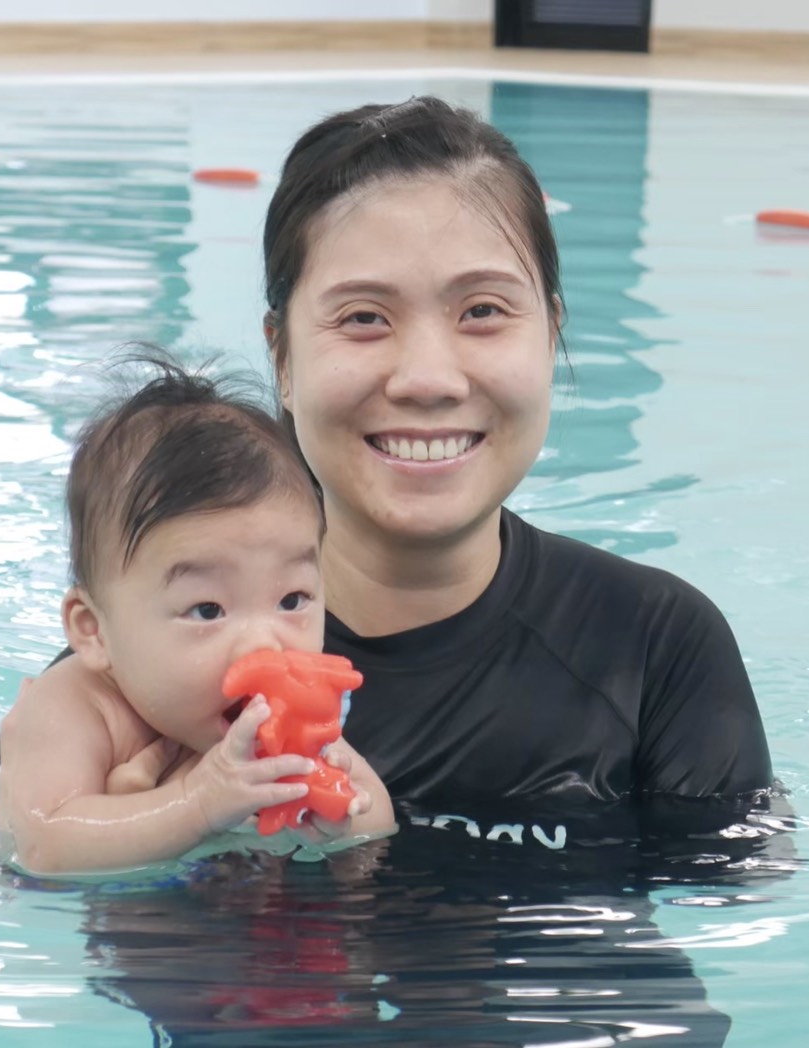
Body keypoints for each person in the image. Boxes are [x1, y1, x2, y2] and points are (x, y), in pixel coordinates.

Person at [251, 94, 776, 812]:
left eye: (483, 312)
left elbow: (726, 915)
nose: (429, 380)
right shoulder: (172, 639)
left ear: (550, 334)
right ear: (282, 357)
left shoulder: (654, 648)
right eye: (364, 318)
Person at [0, 359, 394, 876]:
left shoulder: (281, 721)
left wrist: (337, 819)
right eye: (208, 610)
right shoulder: (72, 707)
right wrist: (197, 804)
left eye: (292, 600)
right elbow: (42, 846)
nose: (264, 647)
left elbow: (378, 818)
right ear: (93, 630)